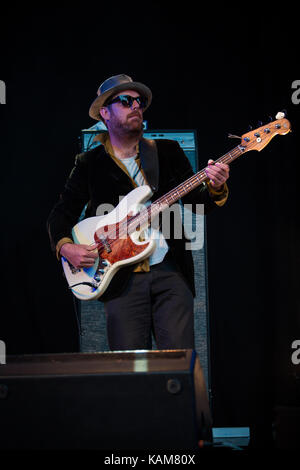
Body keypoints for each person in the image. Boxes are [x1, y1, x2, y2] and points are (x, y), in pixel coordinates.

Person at [47, 74, 229, 351]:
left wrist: (216, 185)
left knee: (179, 365)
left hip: (170, 271)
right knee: (130, 371)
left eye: (139, 101)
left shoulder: (166, 152)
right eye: (126, 101)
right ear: (105, 113)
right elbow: (61, 213)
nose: (136, 106)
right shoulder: (89, 163)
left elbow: (196, 203)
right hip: (121, 278)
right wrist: (65, 247)